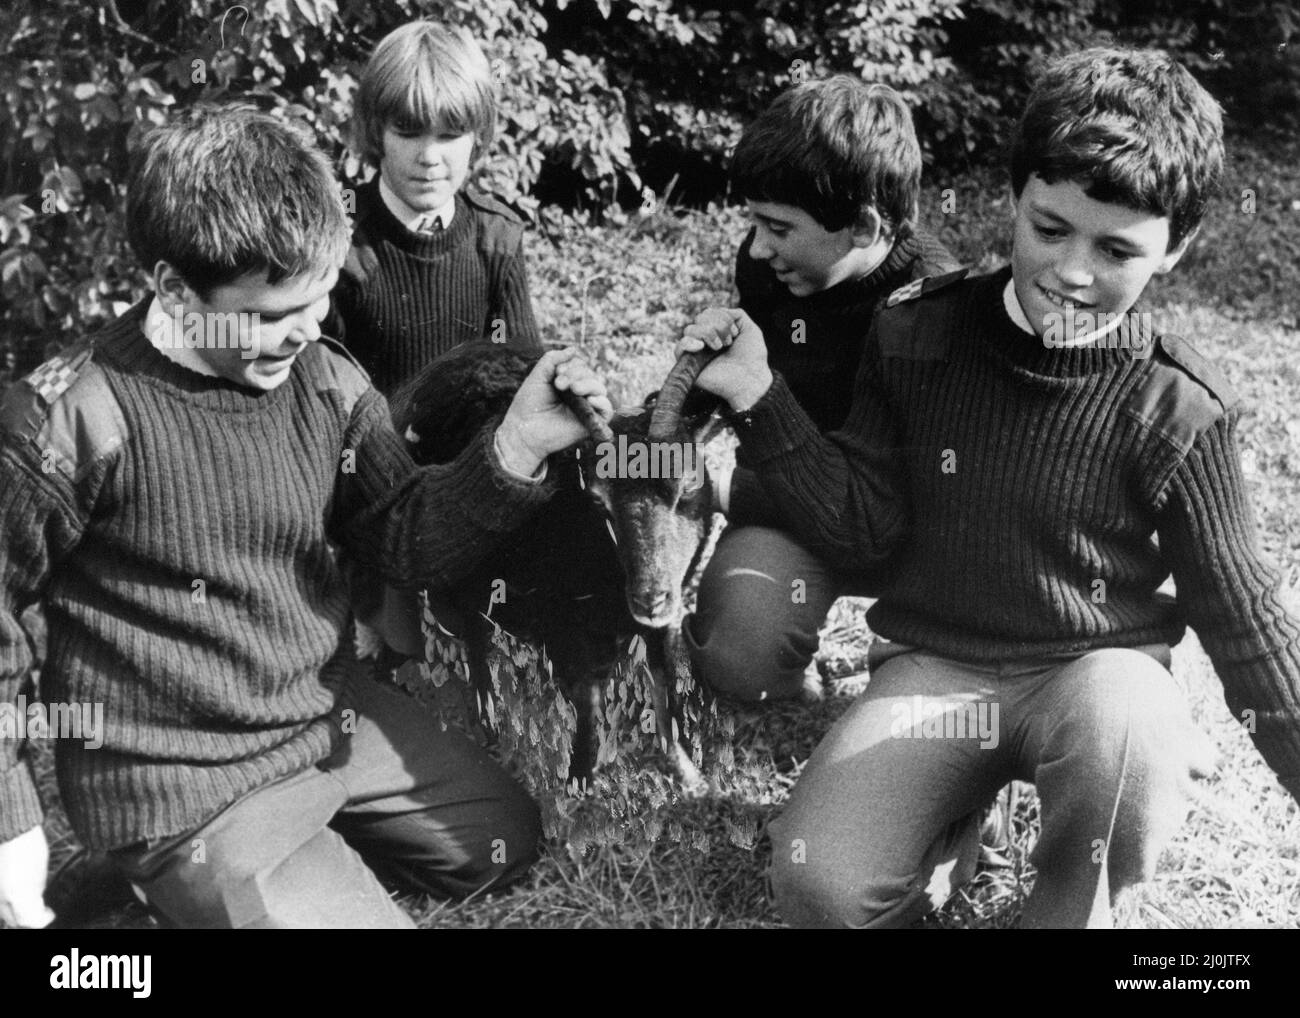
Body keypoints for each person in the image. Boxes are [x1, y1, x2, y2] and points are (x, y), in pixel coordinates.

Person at [679, 47, 1300, 927]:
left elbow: (1247, 622)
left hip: (1092, 676)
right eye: (1049, 228)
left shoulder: (1179, 407)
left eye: (1117, 247)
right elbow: (860, 527)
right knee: (819, 882)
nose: (1074, 273)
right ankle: (950, 813)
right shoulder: (915, 332)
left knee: (1123, 733)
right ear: (1013, 197)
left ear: (1178, 246)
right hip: (936, 676)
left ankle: (1068, 899)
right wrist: (764, 403)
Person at [0, 102, 610, 929]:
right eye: (272, 314)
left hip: (318, 713)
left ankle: (265, 860)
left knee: (496, 839)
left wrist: (518, 445)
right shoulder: (74, 413)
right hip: (180, 772)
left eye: (318, 300)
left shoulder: (325, 379)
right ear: (174, 289)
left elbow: (405, 535)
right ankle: (173, 871)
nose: (307, 333)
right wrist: (11, 824)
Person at [682, 75, 961, 703]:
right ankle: (792, 667)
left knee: (926, 708)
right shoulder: (767, 267)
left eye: (779, 227)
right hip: (790, 514)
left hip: (913, 540)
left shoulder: (933, 310)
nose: (758, 247)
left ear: (862, 226)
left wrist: (721, 484)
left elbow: (873, 522)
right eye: (754, 221)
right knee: (737, 661)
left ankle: (901, 655)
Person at [328, 19, 542, 398]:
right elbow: (319, 393)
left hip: (475, 452)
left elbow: (523, 380)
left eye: (449, 136)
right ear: (377, 132)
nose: (429, 157)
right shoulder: (340, 238)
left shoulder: (496, 239)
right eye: (408, 133)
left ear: (477, 137)